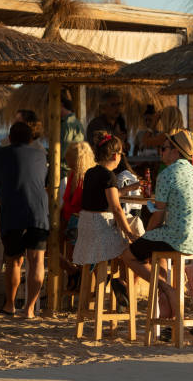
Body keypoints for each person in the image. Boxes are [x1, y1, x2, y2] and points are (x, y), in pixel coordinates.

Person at [122, 130, 193, 319]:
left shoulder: (168, 174)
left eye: (164, 148)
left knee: (128, 254)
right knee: (151, 249)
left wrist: (143, 238)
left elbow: (157, 217)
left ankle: (168, 290)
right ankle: (167, 313)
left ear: (176, 151)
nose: (161, 152)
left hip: (177, 238)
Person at [73, 131, 138, 305]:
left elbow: (108, 196)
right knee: (130, 249)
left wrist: (131, 187)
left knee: (126, 246)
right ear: (116, 155)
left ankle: (119, 286)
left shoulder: (91, 173)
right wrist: (129, 232)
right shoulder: (109, 176)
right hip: (100, 231)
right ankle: (122, 284)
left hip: (87, 229)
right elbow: (116, 208)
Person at [0, 122, 49, 319]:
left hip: (12, 212)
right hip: (38, 212)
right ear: (31, 138)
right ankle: (30, 309)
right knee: (37, 261)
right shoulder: (41, 155)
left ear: (10, 137)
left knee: (13, 261)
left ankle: (9, 305)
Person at [60, 141, 95, 290]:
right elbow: (66, 202)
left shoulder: (89, 176)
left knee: (78, 254)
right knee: (49, 247)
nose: (69, 165)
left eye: (72, 163)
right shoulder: (72, 174)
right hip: (68, 219)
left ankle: (77, 279)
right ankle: (73, 271)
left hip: (80, 222)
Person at [59, 89, 85, 178]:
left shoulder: (67, 124)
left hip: (65, 171)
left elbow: (63, 150)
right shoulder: (77, 122)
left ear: (60, 105)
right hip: (74, 169)